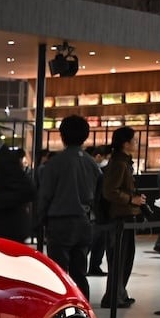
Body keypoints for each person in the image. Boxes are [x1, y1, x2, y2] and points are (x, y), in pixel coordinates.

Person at [35, 115, 102, 298]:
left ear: (62, 135)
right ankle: (82, 306)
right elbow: (98, 194)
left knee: (59, 273)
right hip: (85, 222)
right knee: (80, 272)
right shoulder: (92, 163)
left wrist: (39, 220)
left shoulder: (55, 163)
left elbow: (45, 195)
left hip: (60, 223)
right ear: (86, 136)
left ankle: (62, 307)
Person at [100, 126, 147, 308]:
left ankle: (119, 293)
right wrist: (131, 199)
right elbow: (110, 191)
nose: (136, 143)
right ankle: (113, 297)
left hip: (126, 215)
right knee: (119, 259)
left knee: (125, 258)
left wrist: (135, 199)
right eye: (134, 140)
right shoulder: (119, 164)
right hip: (120, 217)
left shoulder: (124, 162)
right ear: (125, 143)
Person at [87, 144, 112, 275]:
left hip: (100, 211)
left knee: (100, 241)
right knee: (91, 240)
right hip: (94, 210)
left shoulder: (102, 170)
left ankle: (95, 266)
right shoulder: (92, 169)